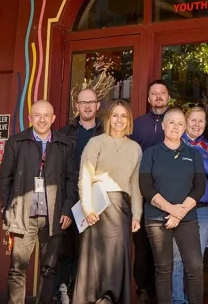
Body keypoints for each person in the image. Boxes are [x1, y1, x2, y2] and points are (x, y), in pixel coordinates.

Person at [0, 100, 76, 304]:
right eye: (37, 116)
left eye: (46, 116)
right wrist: (7, 209)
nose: (42, 120)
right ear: (30, 118)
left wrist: (67, 209)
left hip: (54, 214)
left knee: (49, 269)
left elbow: (71, 179)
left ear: (53, 119)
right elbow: (5, 178)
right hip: (23, 213)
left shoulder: (65, 144)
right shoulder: (16, 142)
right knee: (17, 268)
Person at [73, 100, 142, 304]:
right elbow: (85, 176)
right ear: (108, 118)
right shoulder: (96, 143)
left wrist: (137, 215)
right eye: (115, 115)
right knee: (93, 260)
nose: (119, 120)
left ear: (128, 120)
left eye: (123, 116)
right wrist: (87, 208)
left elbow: (136, 186)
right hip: (97, 208)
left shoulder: (135, 148)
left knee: (117, 259)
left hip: (121, 209)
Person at [139, 108, 206, 304]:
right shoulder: (151, 153)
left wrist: (179, 212)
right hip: (157, 219)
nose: (175, 127)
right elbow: (145, 187)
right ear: (163, 125)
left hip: (187, 217)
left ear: (184, 128)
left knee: (194, 267)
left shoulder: (193, 154)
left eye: (180, 124)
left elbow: (199, 187)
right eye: (171, 122)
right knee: (163, 267)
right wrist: (171, 209)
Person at [56, 88, 104, 303]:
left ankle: (87, 296)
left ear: (98, 105)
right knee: (67, 249)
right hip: (70, 197)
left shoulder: (107, 131)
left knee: (92, 251)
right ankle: (64, 293)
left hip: (98, 198)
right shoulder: (64, 133)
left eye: (91, 102)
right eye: (83, 102)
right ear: (76, 106)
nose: (87, 106)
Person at [131, 79, 171, 303]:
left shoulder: (176, 122)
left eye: (162, 93)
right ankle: (144, 291)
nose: (158, 97)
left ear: (168, 97)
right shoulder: (138, 125)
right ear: (148, 99)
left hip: (171, 195)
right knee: (143, 246)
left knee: (165, 248)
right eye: (154, 94)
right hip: (142, 195)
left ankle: (163, 293)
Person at [172, 106, 208, 303]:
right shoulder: (174, 143)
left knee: (196, 260)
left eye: (201, 121)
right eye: (193, 120)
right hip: (179, 210)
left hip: (204, 211)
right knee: (178, 258)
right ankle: (178, 300)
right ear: (185, 121)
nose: (197, 124)